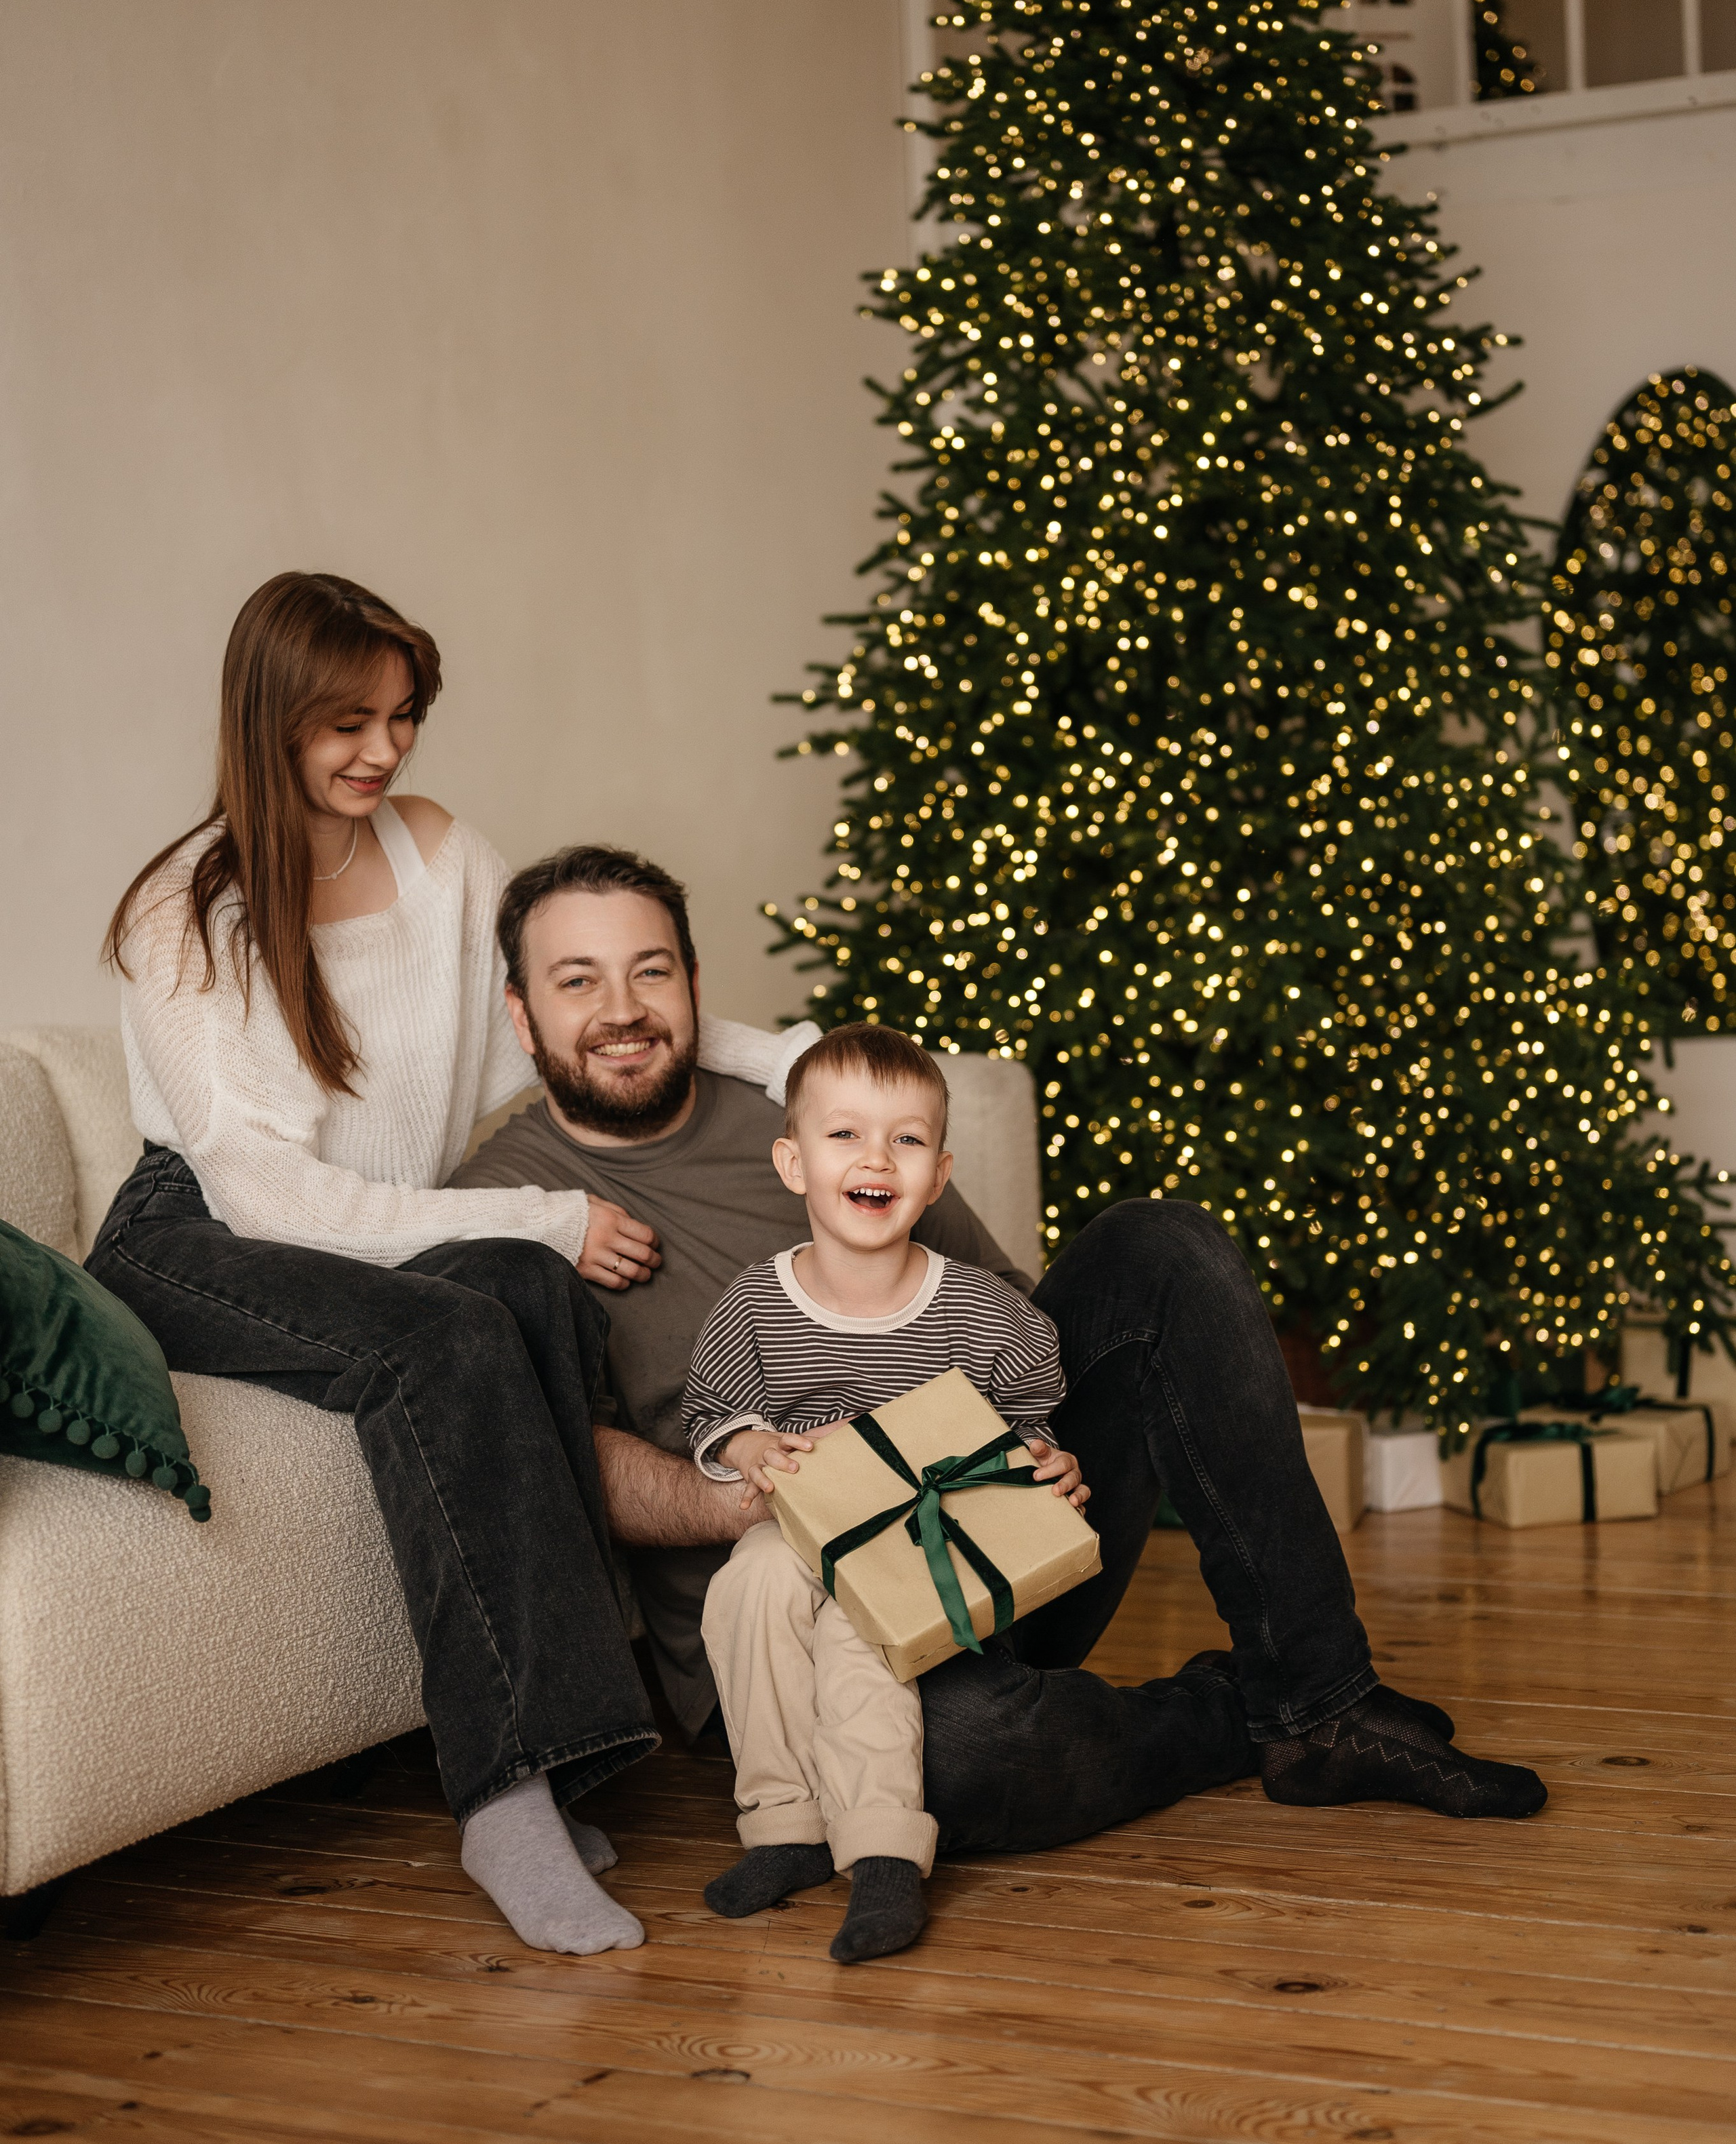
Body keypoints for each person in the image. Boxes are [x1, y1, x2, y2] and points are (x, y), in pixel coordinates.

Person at [457, 843, 1547, 1846]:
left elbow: (1026, 1323)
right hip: (810, 1630)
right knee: (964, 1761)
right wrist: (745, 1491)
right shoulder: (504, 1209)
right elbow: (553, 1460)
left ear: (693, 980)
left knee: (1160, 1246)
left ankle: (1324, 1702)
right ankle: (1233, 1712)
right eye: (577, 980)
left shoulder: (825, 1114)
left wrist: (1045, 1437)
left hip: (1012, 1530)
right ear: (520, 1014)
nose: (622, 1009)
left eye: (650, 970)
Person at [87, 570, 819, 1962]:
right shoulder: (189, 909)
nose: (382, 749)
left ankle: (575, 1750)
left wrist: (795, 1061)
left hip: (351, 1221)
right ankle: (503, 1798)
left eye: (403, 716)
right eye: (346, 720)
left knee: (524, 1295)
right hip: (192, 1239)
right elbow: (257, 1189)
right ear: (269, 714)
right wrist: (543, 1214)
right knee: (459, 1329)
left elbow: (577, 994)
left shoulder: (438, 855)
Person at [688, 1023, 1092, 1965]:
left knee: (860, 1637)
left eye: (905, 1140)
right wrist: (745, 1444)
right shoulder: (754, 1304)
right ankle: (783, 1829)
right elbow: (710, 1409)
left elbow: (1030, 1411)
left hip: (923, 1534)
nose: (877, 1157)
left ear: (938, 1174)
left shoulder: (980, 1310)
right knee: (750, 1588)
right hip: (799, 1522)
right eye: (846, 1136)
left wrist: (1046, 1456)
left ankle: (882, 1856)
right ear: (793, 1163)